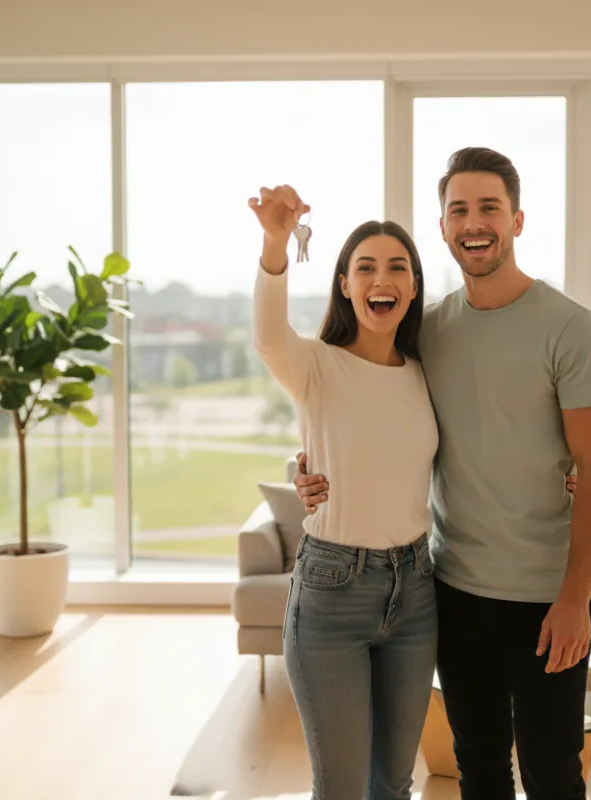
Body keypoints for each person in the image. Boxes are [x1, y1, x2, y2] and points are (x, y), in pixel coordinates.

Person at [292, 147, 591, 800]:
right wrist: (307, 466)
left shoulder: (571, 330)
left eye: (489, 208)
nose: (474, 223)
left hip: (546, 596)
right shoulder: (429, 331)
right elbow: (367, 407)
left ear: (517, 220)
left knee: (554, 774)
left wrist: (575, 598)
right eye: (459, 210)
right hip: (452, 592)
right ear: (442, 227)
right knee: (479, 768)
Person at [248, 184, 439, 799]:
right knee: (342, 788)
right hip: (333, 592)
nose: (382, 279)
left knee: (394, 784)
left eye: (397, 268)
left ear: (413, 287)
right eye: (366, 268)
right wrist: (275, 243)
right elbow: (268, 338)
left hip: (416, 589)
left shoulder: (425, 373)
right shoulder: (316, 365)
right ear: (345, 285)